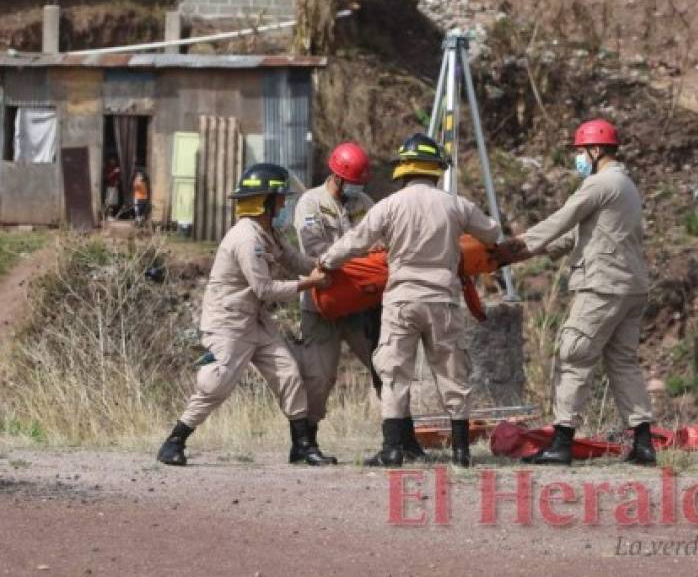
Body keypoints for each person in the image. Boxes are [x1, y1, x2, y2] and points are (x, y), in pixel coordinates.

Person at [318, 134, 501, 467]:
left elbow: (355, 242)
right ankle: (461, 453)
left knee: (394, 374)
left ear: (403, 169)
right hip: (442, 301)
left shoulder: (390, 205)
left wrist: (326, 262)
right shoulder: (455, 204)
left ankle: (391, 450)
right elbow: (492, 233)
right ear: (436, 170)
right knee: (451, 373)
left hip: (401, 301)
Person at [494, 119, 656, 466]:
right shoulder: (625, 186)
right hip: (631, 286)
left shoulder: (600, 184)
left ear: (596, 151)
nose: (579, 158)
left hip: (602, 285)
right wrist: (530, 252)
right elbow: (577, 236)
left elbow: (564, 218)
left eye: (581, 152)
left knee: (573, 354)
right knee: (623, 363)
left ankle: (562, 442)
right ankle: (643, 442)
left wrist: (518, 244)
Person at [156, 163, 334, 467]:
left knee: (289, 373)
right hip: (228, 322)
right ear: (264, 201)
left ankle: (302, 446)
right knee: (216, 383)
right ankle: (174, 442)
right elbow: (264, 289)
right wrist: (310, 283)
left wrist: (327, 264)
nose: (283, 202)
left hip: (255, 320)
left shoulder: (269, 233)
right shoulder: (246, 239)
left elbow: (294, 259)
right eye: (279, 197)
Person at [294, 142, 428, 460]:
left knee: (386, 368)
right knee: (319, 375)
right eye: (351, 181)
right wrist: (361, 253)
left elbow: (382, 241)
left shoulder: (364, 201)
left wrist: (359, 255)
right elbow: (315, 251)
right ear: (337, 177)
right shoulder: (310, 204)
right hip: (322, 302)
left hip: (362, 302)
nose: (356, 187)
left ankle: (403, 440)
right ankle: (305, 444)